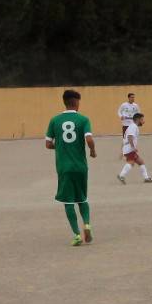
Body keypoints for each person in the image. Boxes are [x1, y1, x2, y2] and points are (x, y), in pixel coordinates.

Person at [45, 90, 97, 246]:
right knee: (82, 198)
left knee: (68, 201)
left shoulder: (54, 120)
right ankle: (87, 224)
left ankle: (76, 235)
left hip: (64, 167)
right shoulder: (83, 119)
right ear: (76, 103)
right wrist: (92, 151)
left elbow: (48, 144)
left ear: (65, 102)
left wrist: (61, 147)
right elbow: (89, 139)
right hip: (80, 166)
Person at [118, 113, 152, 184]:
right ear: (138, 120)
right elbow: (129, 137)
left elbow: (125, 138)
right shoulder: (133, 127)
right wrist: (133, 147)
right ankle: (121, 175)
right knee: (131, 163)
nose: (143, 121)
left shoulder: (133, 126)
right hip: (129, 149)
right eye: (142, 119)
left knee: (140, 162)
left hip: (127, 148)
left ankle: (146, 178)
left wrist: (122, 151)